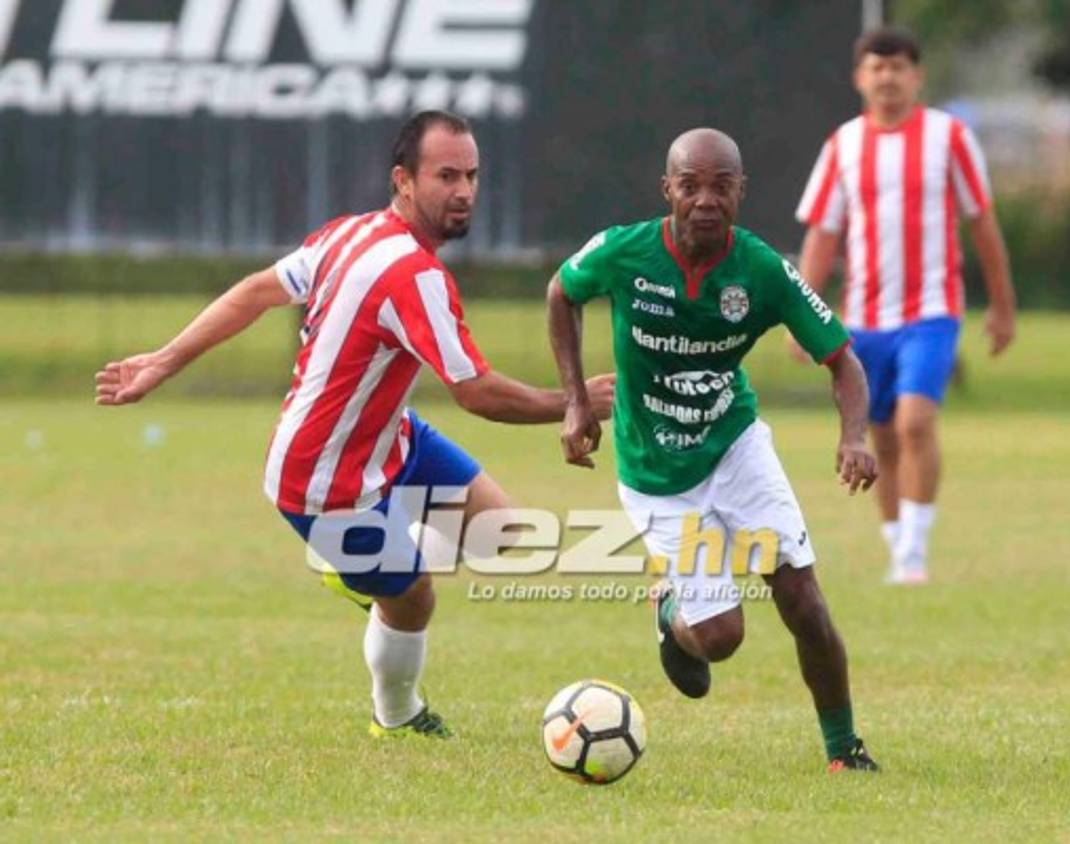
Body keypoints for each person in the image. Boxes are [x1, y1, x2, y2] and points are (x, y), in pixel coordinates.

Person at [95, 110, 613, 740]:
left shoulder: (354, 232)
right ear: (403, 180)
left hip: (388, 438)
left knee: (498, 528)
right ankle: (396, 716)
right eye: (445, 175)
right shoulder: (412, 275)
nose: (464, 191)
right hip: (323, 486)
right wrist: (575, 399)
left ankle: (372, 567)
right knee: (414, 596)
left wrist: (162, 361)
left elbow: (258, 291)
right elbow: (475, 392)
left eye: (472, 175)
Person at [546, 127, 881, 772]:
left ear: (741, 193)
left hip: (736, 448)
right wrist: (574, 399)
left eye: (721, 186)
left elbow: (844, 362)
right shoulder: (624, 253)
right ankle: (671, 609)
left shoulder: (761, 270)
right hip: (655, 474)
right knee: (721, 641)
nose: (705, 199)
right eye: (690, 185)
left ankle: (845, 750)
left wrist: (854, 436)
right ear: (667, 188)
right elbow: (562, 292)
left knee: (803, 600)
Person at [792, 27, 1018, 584]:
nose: (887, 77)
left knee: (917, 421)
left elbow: (981, 221)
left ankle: (915, 550)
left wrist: (1002, 305)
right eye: (877, 67)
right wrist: (801, 317)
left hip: (932, 310)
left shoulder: (949, 137)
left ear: (916, 76)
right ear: (860, 78)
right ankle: (897, 545)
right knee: (883, 436)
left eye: (898, 67)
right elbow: (822, 235)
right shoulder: (842, 145)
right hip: (864, 317)